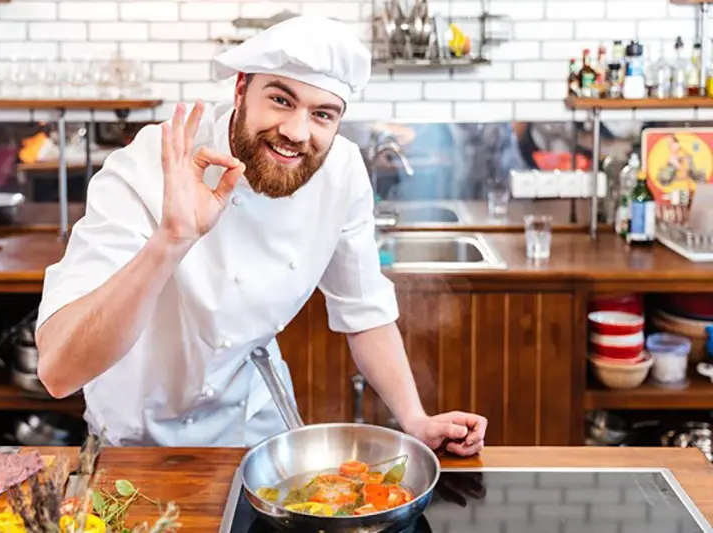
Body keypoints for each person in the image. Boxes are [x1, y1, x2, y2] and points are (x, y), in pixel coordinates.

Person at [35, 15, 488, 454]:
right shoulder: (152, 164)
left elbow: (364, 310)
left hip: (255, 435)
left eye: (322, 114)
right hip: (135, 444)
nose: (296, 131)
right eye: (281, 100)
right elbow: (59, 371)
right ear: (240, 91)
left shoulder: (342, 171)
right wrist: (170, 240)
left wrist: (414, 419)